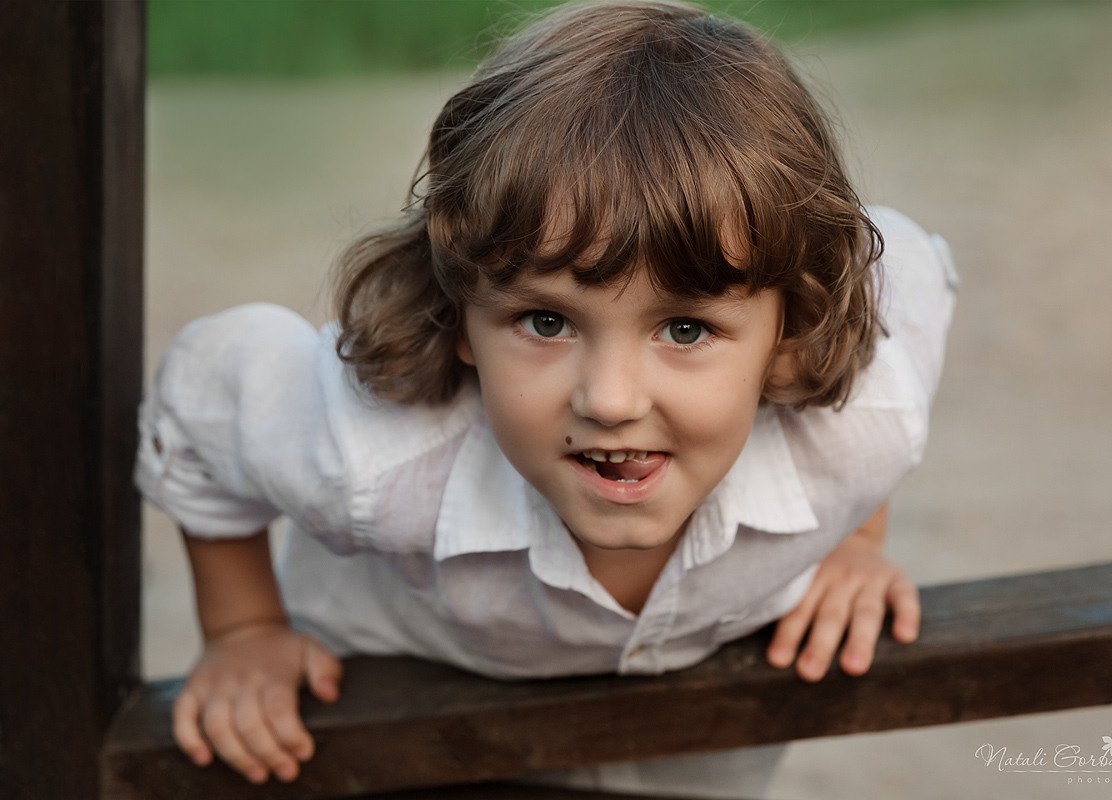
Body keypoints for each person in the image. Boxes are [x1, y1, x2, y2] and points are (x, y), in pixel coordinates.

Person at [136, 0, 957, 794]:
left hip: (699, 758)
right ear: (459, 310)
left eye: (684, 330)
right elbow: (206, 391)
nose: (609, 399)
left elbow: (906, 268)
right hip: (406, 720)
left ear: (793, 331)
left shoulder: (868, 424)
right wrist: (243, 629)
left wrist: (855, 540)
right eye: (545, 319)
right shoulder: (370, 458)